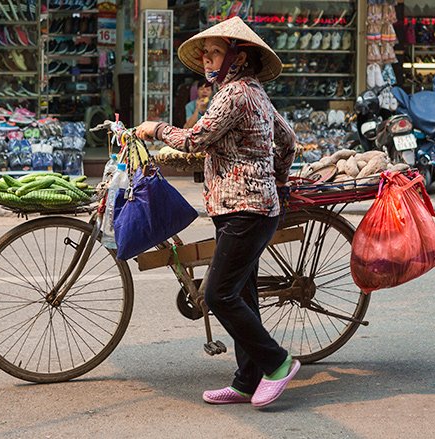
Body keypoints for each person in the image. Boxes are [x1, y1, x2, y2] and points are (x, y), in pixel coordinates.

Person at [135, 17, 299, 408]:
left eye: (215, 52)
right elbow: (288, 141)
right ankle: (246, 381)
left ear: (237, 57)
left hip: (246, 210)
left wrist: (156, 128)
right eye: (206, 53)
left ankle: (278, 363)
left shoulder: (234, 94)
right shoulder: (253, 91)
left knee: (218, 294)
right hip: (242, 207)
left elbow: (195, 139)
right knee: (243, 294)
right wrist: (277, 181)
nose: (208, 59)